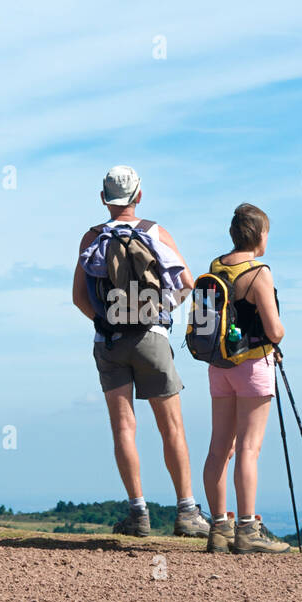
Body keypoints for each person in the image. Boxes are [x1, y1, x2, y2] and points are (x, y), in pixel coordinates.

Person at [72, 165, 210, 538]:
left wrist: (106, 320)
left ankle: (138, 512)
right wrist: (161, 311)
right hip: (152, 338)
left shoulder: (92, 237)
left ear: (103, 198)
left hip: (110, 342)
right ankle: (187, 512)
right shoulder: (155, 233)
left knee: (123, 428)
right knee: (172, 428)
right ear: (139, 196)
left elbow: (79, 298)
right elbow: (188, 285)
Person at [200, 204, 289, 554]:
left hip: (219, 366)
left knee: (219, 448)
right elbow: (274, 331)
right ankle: (248, 528)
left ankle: (219, 527)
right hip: (253, 366)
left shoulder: (216, 267)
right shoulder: (259, 273)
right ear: (260, 236)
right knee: (249, 449)